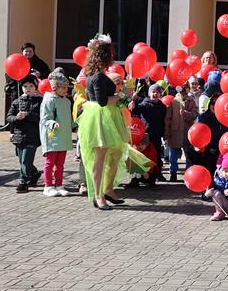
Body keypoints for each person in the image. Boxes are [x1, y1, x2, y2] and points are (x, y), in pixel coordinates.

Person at [76, 36, 130, 210]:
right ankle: (98, 195)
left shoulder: (98, 74)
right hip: (100, 119)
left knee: (114, 154)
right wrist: (121, 96)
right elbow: (102, 102)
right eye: (110, 54)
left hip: (105, 117)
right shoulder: (98, 76)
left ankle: (108, 190)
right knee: (100, 158)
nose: (113, 57)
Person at [39, 71, 74, 196]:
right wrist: (52, 123)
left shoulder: (66, 101)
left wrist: (74, 125)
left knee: (60, 163)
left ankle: (59, 185)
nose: (66, 90)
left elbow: (68, 119)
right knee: (50, 163)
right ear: (54, 87)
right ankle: (48, 186)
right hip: (52, 136)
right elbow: (45, 118)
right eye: (63, 87)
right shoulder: (49, 100)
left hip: (63, 136)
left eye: (66, 87)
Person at [7, 77, 43, 192]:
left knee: (26, 161)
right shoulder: (17, 101)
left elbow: (41, 118)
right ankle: (34, 173)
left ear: (35, 87)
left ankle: (23, 182)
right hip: (19, 136)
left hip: (32, 136)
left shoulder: (40, 101)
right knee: (21, 160)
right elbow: (9, 117)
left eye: (31, 86)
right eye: (25, 86)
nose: (28, 88)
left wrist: (28, 115)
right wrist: (16, 118)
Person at [130, 83, 167, 189]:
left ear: (160, 94)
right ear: (150, 93)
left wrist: (164, 133)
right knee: (139, 157)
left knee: (155, 157)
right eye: (153, 92)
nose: (155, 94)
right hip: (144, 136)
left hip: (156, 136)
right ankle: (135, 180)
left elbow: (164, 121)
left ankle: (152, 179)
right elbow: (136, 110)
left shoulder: (162, 107)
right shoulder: (145, 104)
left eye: (157, 92)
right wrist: (134, 101)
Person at [4, 42, 52, 113]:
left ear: (33, 52)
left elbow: (48, 75)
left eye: (30, 51)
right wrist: (14, 87)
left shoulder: (40, 63)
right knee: (16, 110)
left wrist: (40, 75)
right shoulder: (17, 60)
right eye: (26, 51)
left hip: (34, 92)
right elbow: (8, 74)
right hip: (18, 90)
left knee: (32, 110)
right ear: (22, 52)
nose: (28, 53)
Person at [164, 83, 193, 182]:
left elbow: (195, 114)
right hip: (175, 132)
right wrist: (167, 132)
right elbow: (168, 118)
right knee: (173, 155)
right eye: (183, 88)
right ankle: (173, 173)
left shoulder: (191, 101)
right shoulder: (173, 101)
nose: (184, 91)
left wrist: (186, 114)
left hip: (187, 131)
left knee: (188, 154)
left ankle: (189, 174)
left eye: (186, 88)